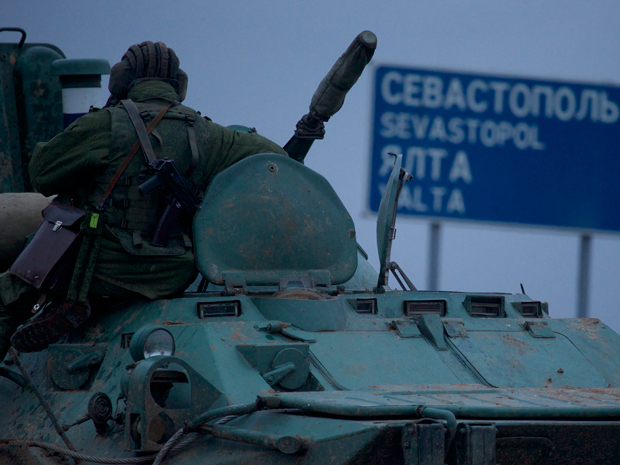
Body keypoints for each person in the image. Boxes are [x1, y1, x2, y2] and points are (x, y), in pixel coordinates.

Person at [0, 41, 287, 359]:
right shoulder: (211, 134)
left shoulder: (104, 125)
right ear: (180, 85)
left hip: (101, 271)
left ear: (121, 80)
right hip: (172, 274)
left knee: (9, 293)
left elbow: (42, 174)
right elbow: (277, 160)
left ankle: (52, 311)